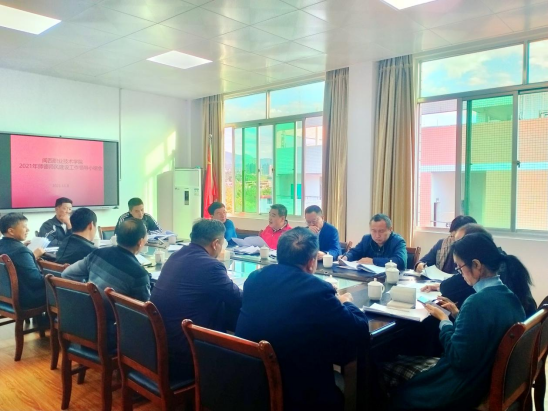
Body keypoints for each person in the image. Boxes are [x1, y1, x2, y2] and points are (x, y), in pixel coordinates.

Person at [388, 233, 526, 410]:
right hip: (482, 378)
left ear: (476, 265)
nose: (461, 275)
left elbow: (458, 358)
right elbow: (481, 335)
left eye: (460, 268)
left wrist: (444, 320)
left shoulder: (476, 302)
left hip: (462, 388)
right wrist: (457, 313)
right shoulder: (509, 297)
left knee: (396, 382)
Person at [236, 227, 369, 411]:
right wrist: (345, 302)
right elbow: (359, 330)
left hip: (249, 383)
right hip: (296, 395)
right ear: (312, 262)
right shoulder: (316, 289)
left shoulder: (254, 278)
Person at [151, 219, 242, 380]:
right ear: (215, 243)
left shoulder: (176, 255)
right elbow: (238, 299)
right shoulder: (211, 266)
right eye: (222, 243)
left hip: (161, 343)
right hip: (187, 351)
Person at [422, 223, 536, 316]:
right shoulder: (501, 261)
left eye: (461, 242)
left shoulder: (482, 277)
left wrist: (445, 321)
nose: (457, 247)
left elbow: (449, 289)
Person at [0, 213, 45, 309]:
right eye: (24, 227)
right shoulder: (21, 251)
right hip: (26, 299)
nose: (28, 229)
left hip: (5, 296)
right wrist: (51, 278)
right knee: (62, 291)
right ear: (11, 231)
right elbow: (36, 281)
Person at [339, 214, 407, 270]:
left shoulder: (398, 241)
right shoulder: (366, 239)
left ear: (390, 230)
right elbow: (355, 252)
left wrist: (373, 261)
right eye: (373, 231)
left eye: (381, 231)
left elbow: (400, 261)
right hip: (367, 277)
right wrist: (346, 257)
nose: (377, 235)